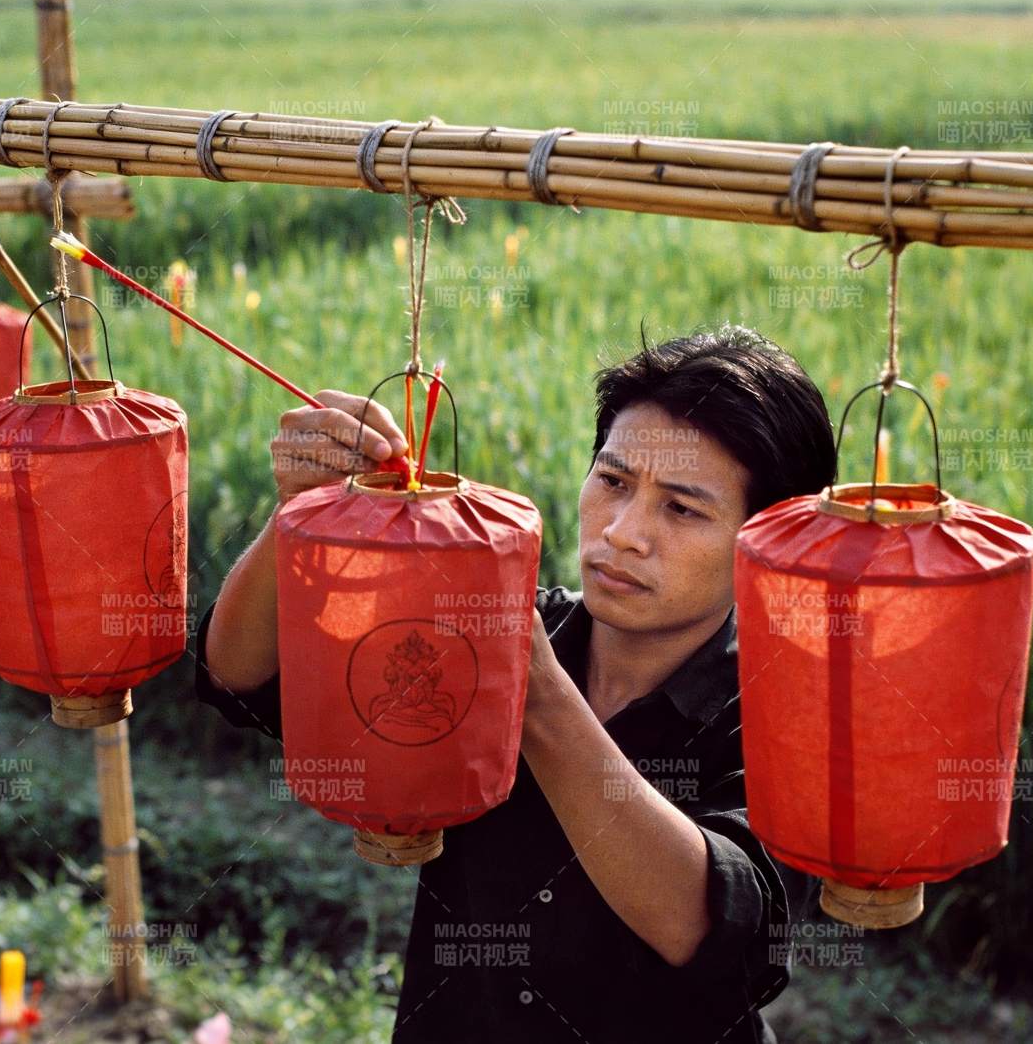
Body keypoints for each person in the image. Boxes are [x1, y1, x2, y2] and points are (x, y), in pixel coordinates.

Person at [192, 325, 837, 1042]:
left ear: (764, 543)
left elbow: (711, 923)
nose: (623, 532)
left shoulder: (780, 718)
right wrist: (299, 514)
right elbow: (238, 675)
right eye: (614, 481)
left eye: (681, 508)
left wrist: (533, 691)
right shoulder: (505, 628)